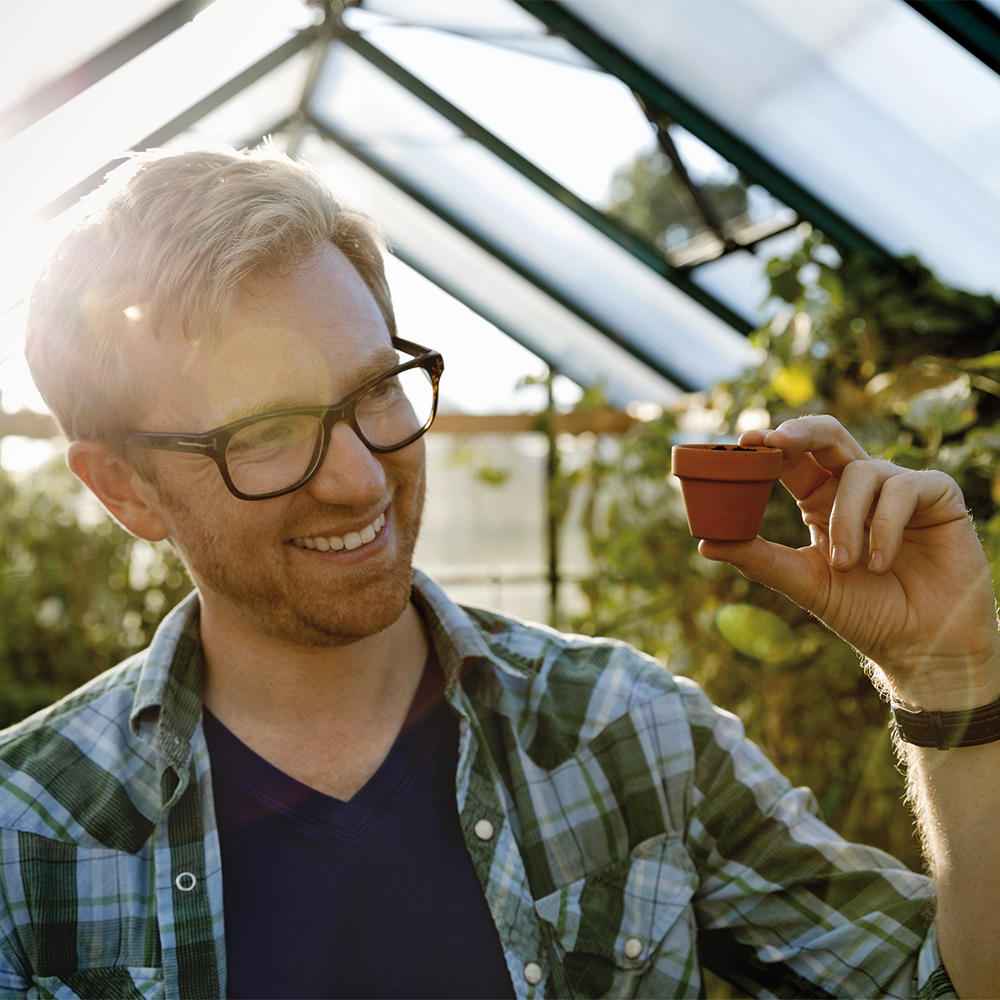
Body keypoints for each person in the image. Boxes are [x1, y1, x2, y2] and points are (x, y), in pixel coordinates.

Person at [1, 144, 997, 1000]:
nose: (358, 479)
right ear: (125, 490)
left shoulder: (628, 735)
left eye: (373, 390)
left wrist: (950, 679)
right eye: (264, 434)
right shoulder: (26, 839)